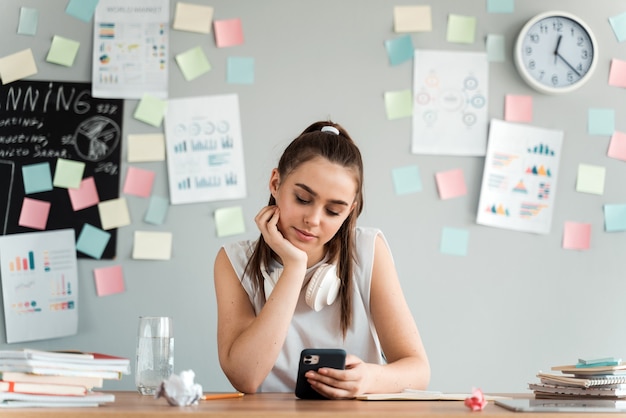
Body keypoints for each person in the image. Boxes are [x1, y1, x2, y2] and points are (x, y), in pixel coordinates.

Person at [213, 120, 430, 399]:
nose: (313, 220)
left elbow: (418, 370)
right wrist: (294, 267)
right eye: (303, 199)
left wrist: (369, 379)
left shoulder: (367, 249)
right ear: (276, 183)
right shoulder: (233, 261)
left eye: (333, 211)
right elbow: (245, 377)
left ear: (349, 212)